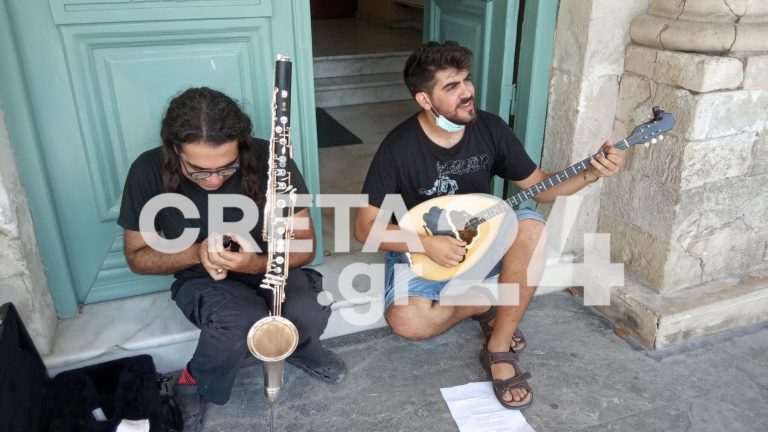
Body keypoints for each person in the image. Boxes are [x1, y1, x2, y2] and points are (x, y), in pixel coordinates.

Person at [354, 41, 624, 409]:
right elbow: (364, 228)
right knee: (408, 322)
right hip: (427, 249)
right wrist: (425, 244)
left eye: (466, 80)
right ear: (424, 99)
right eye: (451, 86)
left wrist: (591, 174)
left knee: (531, 227)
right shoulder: (398, 148)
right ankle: (485, 304)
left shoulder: (491, 129)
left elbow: (541, 189)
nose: (467, 92)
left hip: (485, 242)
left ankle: (498, 347)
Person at [118, 87, 347, 429]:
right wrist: (196, 252)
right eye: (197, 171)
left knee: (305, 309)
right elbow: (137, 256)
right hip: (199, 277)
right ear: (174, 148)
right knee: (240, 321)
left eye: (227, 169)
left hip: (268, 263)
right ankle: (192, 381)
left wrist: (256, 263)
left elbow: (304, 246)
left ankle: (297, 348)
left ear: (241, 147)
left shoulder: (271, 158)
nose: (213, 179)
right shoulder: (147, 170)